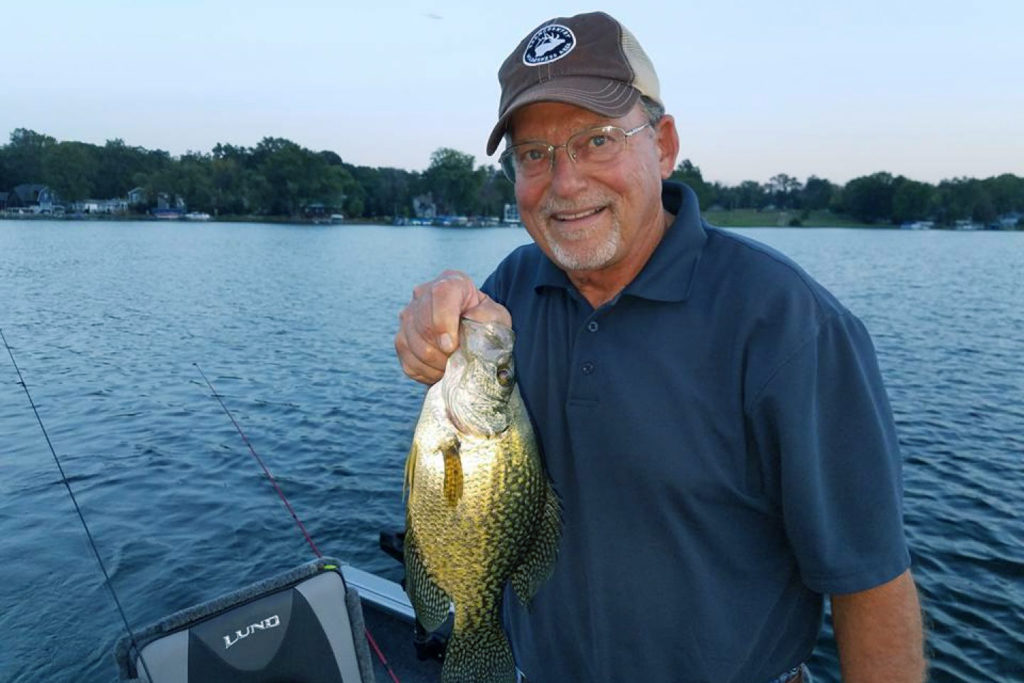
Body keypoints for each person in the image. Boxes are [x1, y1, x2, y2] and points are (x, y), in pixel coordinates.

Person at [394, 11, 925, 683]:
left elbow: (871, 583)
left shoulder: (790, 325)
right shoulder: (512, 291)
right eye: (534, 154)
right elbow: (460, 455)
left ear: (664, 143)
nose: (565, 182)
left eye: (595, 140)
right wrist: (439, 318)